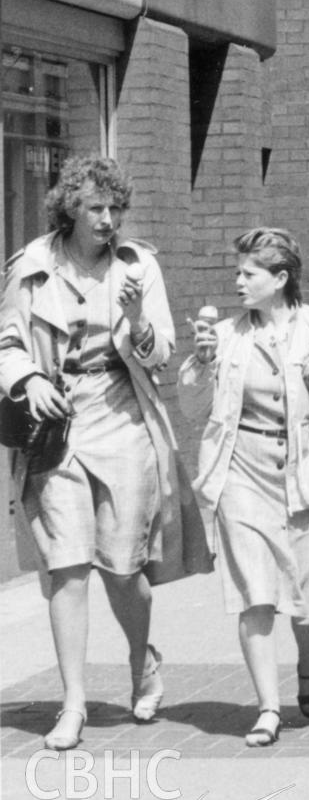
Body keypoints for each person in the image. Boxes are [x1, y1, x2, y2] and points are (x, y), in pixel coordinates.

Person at [0, 156, 204, 752]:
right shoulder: (31, 267)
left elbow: (160, 352)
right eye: (96, 208)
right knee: (66, 566)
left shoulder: (138, 267)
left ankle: (142, 661)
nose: (109, 220)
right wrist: (28, 379)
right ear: (71, 208)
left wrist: (138, 318)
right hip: (55, 427)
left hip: (122, 419)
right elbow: (6, 339)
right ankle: (73, 703)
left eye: (116, 209)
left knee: (122, 568)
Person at [180, 228, 309, 745]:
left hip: (305, 476)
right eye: (237, 272)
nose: (238, 282)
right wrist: (201, 363)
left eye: (249, 274)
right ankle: (268, 707)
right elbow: (193, 411)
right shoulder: (226, 336)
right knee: (255, 596)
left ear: (281, 278)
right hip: (241, 471)